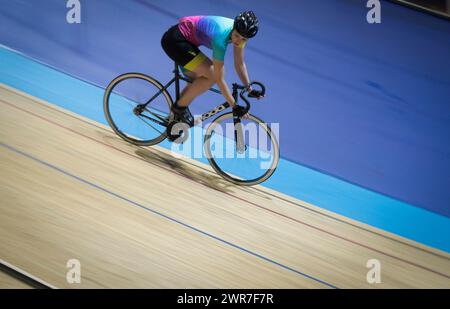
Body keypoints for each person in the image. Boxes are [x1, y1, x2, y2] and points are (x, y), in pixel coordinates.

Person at [161, 11, 264, 127]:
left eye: (243, 39)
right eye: (236, 36)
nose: (238, 41)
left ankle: (173, 120)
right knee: (211, 76)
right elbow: (218, 79)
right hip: (175, 41)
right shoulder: (220, 38)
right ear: (233, 28)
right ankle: (178, 109)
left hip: (186, 41)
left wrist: (249, 88)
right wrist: (234, 106)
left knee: (196, 82)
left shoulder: (240, 33)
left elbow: (239, 64)